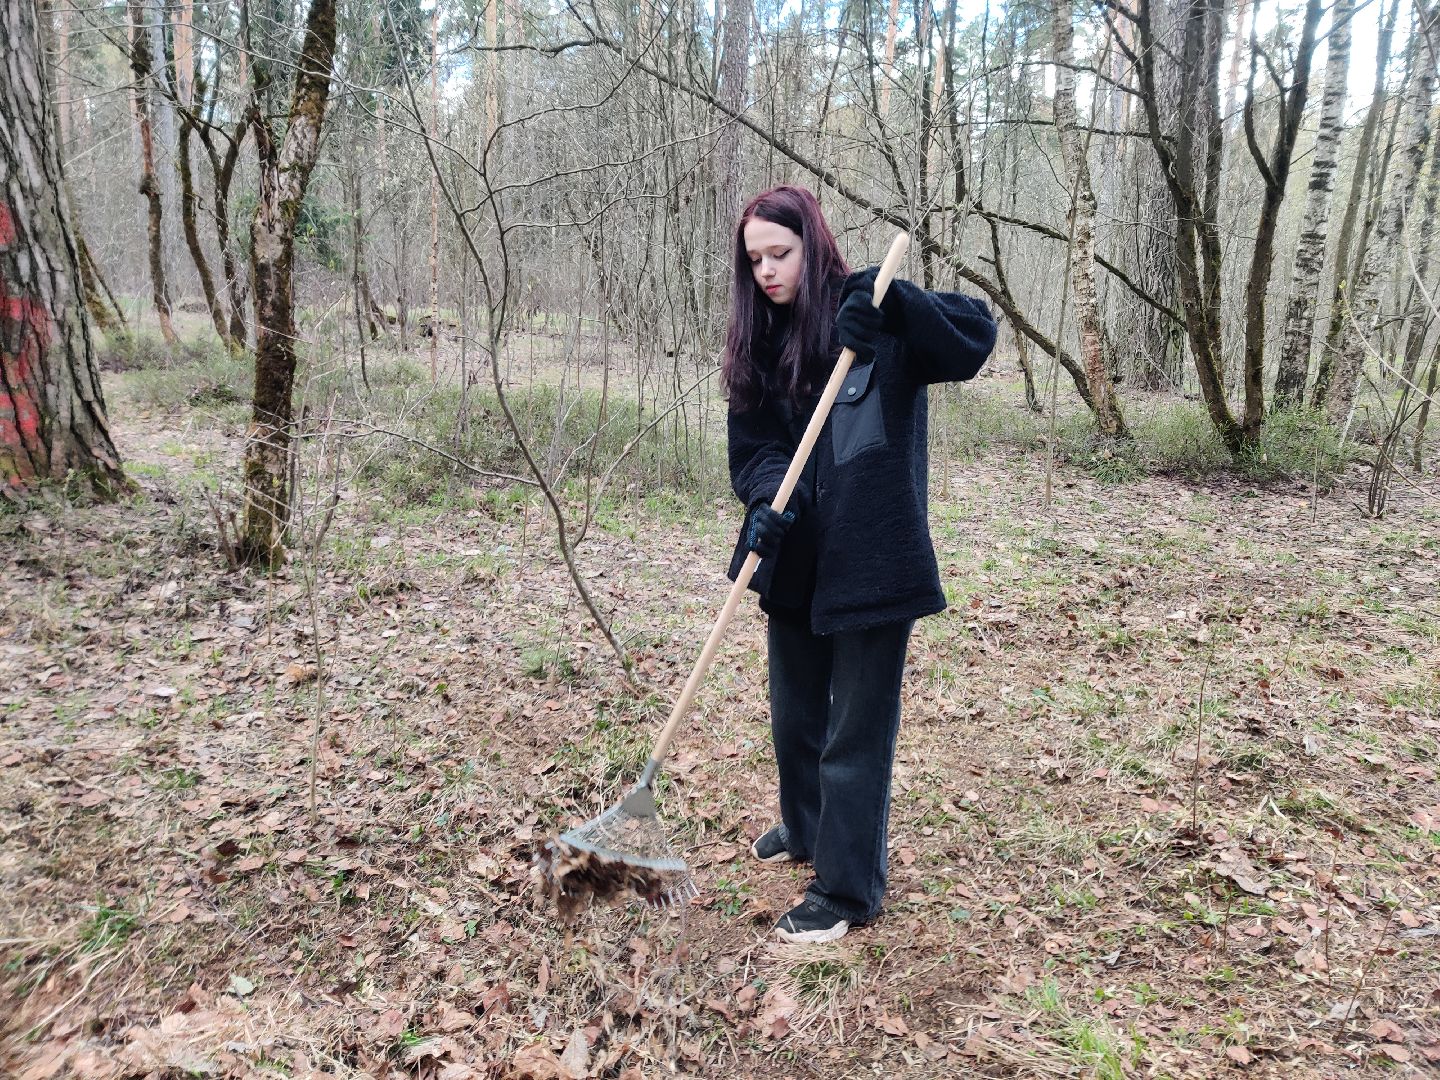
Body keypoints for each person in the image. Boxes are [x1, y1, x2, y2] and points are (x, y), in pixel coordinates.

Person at [723, 185, 997, 943]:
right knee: (796, 718)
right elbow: (754, 449)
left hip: (873, 560)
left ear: (812, 243)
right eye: (755, 261)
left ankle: (847, 890)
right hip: (796, 563)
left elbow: (975, 338)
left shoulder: (876, 312)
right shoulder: (761, 341)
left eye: (780, 253)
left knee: (855, 732)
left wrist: (897, 305)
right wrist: (763, 500)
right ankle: (807, 830)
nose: (768, 272)